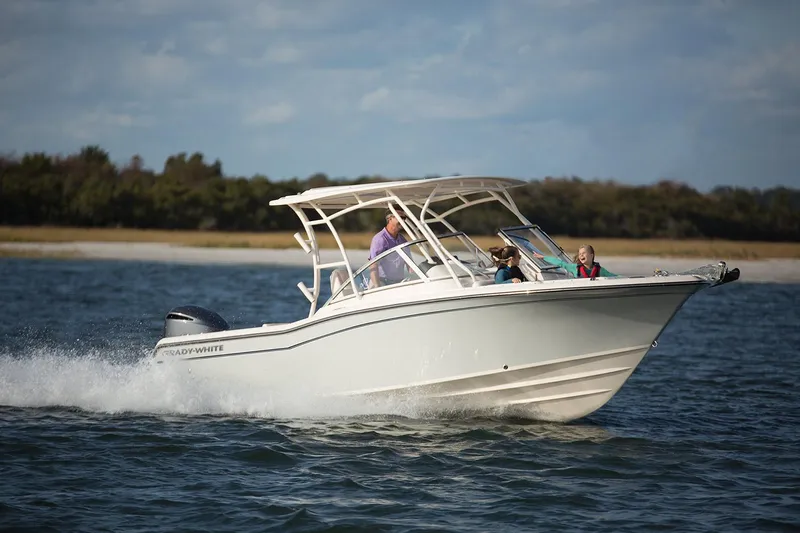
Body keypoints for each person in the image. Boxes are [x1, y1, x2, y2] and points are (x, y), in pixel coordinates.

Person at [368, 208, 409, 288]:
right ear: (390, 219)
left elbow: (410, 265)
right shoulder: (380, 239)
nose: (403, 221)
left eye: (404, 218)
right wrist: (377, 286)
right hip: (381, 282)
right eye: (400, 218)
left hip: (398, 283)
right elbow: (373, 265)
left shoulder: (402, 240)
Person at [533, 244, 617, 279]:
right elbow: (560, 263)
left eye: (584, 253)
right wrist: (544, 257)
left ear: (591, 255)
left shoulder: (601, 270)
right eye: (580, 254)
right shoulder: (574, 268)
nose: (581, 255)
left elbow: (614, 276)